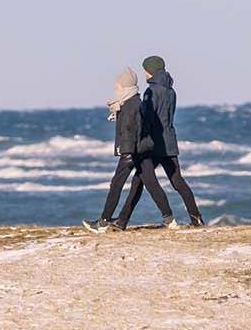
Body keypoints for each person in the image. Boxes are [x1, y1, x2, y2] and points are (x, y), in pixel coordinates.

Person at [82, 67, 178, 232]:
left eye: (118, 83)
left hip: (131, 152)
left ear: (124, 86)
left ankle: (103, 222)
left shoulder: (129, 105)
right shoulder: (135, 102)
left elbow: (129, 130)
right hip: (143, 150)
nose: (115, 86)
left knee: (116, 185)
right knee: (152, 184)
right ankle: (170, 220)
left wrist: (125, 152)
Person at [117, 55, 206, 228]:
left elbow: (149, 119)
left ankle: (123, 221)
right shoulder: (171, 90)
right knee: (178, 182)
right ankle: (196, 219)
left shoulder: (151, 91)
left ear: (150, 71)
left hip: (155, 144)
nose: (144, 74)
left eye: (145, 71)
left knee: (138, 181)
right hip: (170, 142)